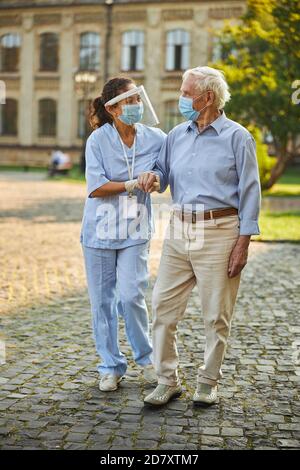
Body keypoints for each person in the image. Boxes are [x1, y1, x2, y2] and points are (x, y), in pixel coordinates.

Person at [138, 66, 261, 406]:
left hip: (221, 231)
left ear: (207, 97)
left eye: (186, 92)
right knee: (163, 306)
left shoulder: (238, 137)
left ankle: (208, 381)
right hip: (179, 229)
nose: (181, 98)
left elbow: (251, 191)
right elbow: (161, 172)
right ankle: (167, 380)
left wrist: (243, 242)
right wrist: (152, 175)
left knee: (215, 314)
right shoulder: (177, 134)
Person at [80, 76, 166, 392]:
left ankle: (145, 361)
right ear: (113, 109)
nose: (136, 105)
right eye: (129, 101)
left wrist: (154, 178)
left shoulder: (156, 138)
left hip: (135, 229)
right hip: (99, 232)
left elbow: (165, 175)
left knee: (131, 295)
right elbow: (95, 188)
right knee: (102, 302)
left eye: (137, 98)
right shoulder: (97, 140)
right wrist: (130, 184)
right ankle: (110, 366)